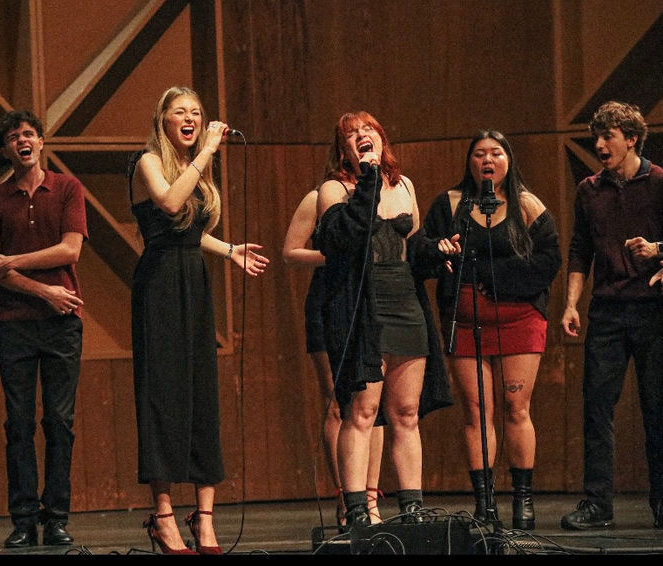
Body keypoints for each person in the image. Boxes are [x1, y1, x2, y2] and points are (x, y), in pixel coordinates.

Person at [127, 86, 269, 554]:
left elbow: (190, 231)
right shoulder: (148, 162)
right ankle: (164, 517)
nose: (190, 118)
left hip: (195, 283)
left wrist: (228, 250)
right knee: (163, 398)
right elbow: (169, 207)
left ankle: (204, 518)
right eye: (180, 112)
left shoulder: (198, 174)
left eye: (196, 112)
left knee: (202, 396)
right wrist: (206, 150)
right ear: (163, 120)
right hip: (160, 287)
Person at [417, 131, 561, 530]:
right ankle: (485, 503)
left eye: (496, 153)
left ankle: (523, 500)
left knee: (516, 408)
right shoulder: (450, 204)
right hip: (465, 322)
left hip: (519, 319)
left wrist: (495, 275)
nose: (488, 159)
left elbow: (550, 259)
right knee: (477, 413)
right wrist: (439, 251)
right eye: (479, 153)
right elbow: (422, 249)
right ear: (470, 161)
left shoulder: (527, 204)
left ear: (508, 161)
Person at [316, 111, 451, 528]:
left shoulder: (405, 184)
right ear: (343, 149)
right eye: (352, 134)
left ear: (381, 137)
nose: (362, 136)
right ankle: (357, 510)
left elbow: (415, 244)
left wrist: (439, 248)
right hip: (362, 305)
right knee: (362, 409)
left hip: (405, 303)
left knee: (405, 412)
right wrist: (369, 176)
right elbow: (345, 235)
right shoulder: (334, 190)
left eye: (368, 130)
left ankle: (412, 509)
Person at [0, 110, 86, 548]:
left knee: (59, 421)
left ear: (41, 141)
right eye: (12, 137)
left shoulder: (66, 188)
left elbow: (70, 250)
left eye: (28, 134)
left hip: (63, 323)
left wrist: (14, 262)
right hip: (16, 325)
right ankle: (23, 518)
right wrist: (44, 292)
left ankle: (56, 516)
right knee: (18, 423)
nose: (22, 141)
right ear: (5, 149)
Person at [559, 100, 663, 531]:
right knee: (597, 406)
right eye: (596, 138)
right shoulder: (589, 190)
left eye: (609, 137)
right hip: (607, 310)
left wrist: (659, 252)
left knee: (657, 407)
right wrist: (570, 303)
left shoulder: (658, 182)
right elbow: (580, 250)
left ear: (632, 138)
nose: (600, 145)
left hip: (654, 310)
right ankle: (598, 503)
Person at [282, 186, 384, 526]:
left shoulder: (383, 193)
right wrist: (336, 256)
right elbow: (290, 252)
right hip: (330, 301)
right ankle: (346, 498)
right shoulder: (320, 197)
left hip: (371, 300)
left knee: (372, 405)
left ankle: (370, 500)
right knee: (339, 403)